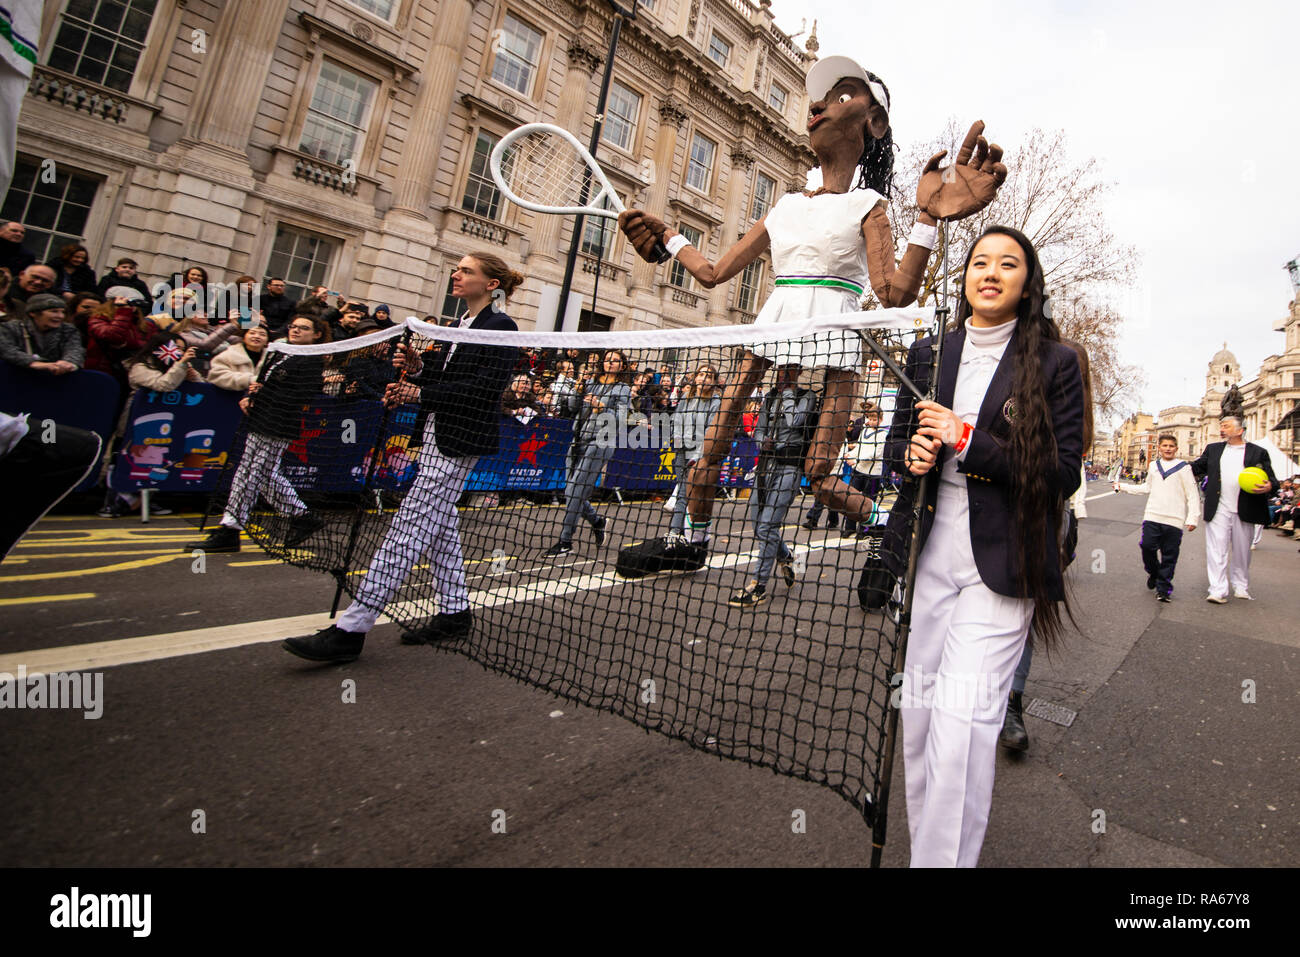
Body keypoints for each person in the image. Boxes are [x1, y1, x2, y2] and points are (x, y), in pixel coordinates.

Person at [616, 54, 1005, 576]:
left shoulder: (870, 205)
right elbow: (711, 273)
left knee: (821, 473)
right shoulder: (785, 205)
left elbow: (895, 294)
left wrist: (928, 218)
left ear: (874, 123)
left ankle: (889, 526)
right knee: (708, 455)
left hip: (836, 337)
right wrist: (669, 238)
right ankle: (692, 542)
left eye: (841, 96)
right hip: (774, 326)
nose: (820, 105)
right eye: (817, 99)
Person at [885, 225, 1084, 867]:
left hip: (1003, 565)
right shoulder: (926, 353)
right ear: (965, 275)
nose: (990, 272)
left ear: (1028, 283)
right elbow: (895, 451)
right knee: (917, 726)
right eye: (978, 261)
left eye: (1008, 263)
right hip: (927, 562)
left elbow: (1063, 472)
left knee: (960, 729)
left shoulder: (1057, 362)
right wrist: (911, 457)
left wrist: (969, 441)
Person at [281, 253, 522, 662]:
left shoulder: (501, 327)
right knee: (440, 527)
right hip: (434, 435)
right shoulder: (458, 325)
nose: (456, 275)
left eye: (466, 271)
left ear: (491, 284)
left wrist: (420, 393)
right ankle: (455, 612)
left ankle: (352, 629)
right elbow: (446, 378)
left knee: (408, 529)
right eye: (457, 268)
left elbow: (482, 389)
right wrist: (417, 369)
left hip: (460, 440)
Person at [183, 316, 331, 554]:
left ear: (316, 335)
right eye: (293, 326)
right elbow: (264, 382)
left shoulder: (311, 360)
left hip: (279, 423)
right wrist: (252, 396)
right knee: (262, 473)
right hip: (262, 418)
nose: (296, 331)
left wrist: (262, 394)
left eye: (304, 328)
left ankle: (230, 529)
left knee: (251, 474)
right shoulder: (280, 350)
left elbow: (299, 396)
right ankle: (303, 516)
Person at [729, 364, 815, 606]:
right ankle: (787, 556)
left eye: (789, 370)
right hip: (767, 467)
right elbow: (759, 430)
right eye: (781, 370)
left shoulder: (806, 396)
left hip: (789, 467)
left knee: (768, 526)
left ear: (798, 371)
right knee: (759, 526)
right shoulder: (770, 397)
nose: (783, 374)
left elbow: (796, 420)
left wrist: (788, 392)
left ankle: (759, 585)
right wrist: (760, 442)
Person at [544, 349, 631, 557]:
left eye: (616, 361)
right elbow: (573, 407)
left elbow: (620, 419)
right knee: (570, 491)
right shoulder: (591, 382)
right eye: (608, 359)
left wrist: (601, 407)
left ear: (622, 366)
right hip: (577, 440)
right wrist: (578, 389)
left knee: (574, 490)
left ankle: (566, 541)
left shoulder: (622, 389)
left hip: (600, 443)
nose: (610, 363)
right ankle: (597, 521)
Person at [1190, 415, 1277, 602]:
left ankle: (1241, 585)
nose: (1222, 429)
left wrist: (1269, 486)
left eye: (1226, 426)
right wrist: (1172, 465)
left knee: (1242, 551)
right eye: (1221, 425)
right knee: (1216, 549)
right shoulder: (1213, 449)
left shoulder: (1257, 452)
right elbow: (1196, 467)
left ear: (1239, 430)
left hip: (1245, 509)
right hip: (1218, 507)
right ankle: (1217, 590)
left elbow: (1272, 479)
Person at [1112, 434, 1199, 602]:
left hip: (1174, 519)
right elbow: (1146, 487)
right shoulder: (1153, 466)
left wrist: (1193, 517)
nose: (1168, 448)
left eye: (1171, 446)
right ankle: (1154, 572)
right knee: (1147, 547)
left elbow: (1192, 494)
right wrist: (1122, 486)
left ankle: (1163, 589)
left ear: (1176, 449)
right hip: (1153, 515)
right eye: (1164, 445)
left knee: (1169, 555)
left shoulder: (1184, 467)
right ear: (1159, 448)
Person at [668, 364, 721, 533]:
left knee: (685, 495)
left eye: (708, 376)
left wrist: (697, 456)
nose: (703, 378)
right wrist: (677, 441)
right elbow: (676, 419)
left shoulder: (715, 402)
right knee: (684, 493)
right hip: (681, 452)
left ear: (713, 382)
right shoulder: (686, 396)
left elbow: (709, 431)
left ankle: (675, 532)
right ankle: (684, 532)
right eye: (701, 374)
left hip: (698, 456)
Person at [0, 293, 83, 373]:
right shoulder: (11, 328)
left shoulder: (68, 330)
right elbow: (6, 349)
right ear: (33, 313)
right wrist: (33, 363)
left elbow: (74, 350)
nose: (60, 316)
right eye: (54, 311)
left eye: (63, 312)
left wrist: (67, 363)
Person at [208, 322, 270, 393]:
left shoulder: (272, 359)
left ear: (267, 342)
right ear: (244, 338)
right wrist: (248, 380)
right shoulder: (227, 355)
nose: (257, 336)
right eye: (252, 333)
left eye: (262, 334)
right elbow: (217, 376)